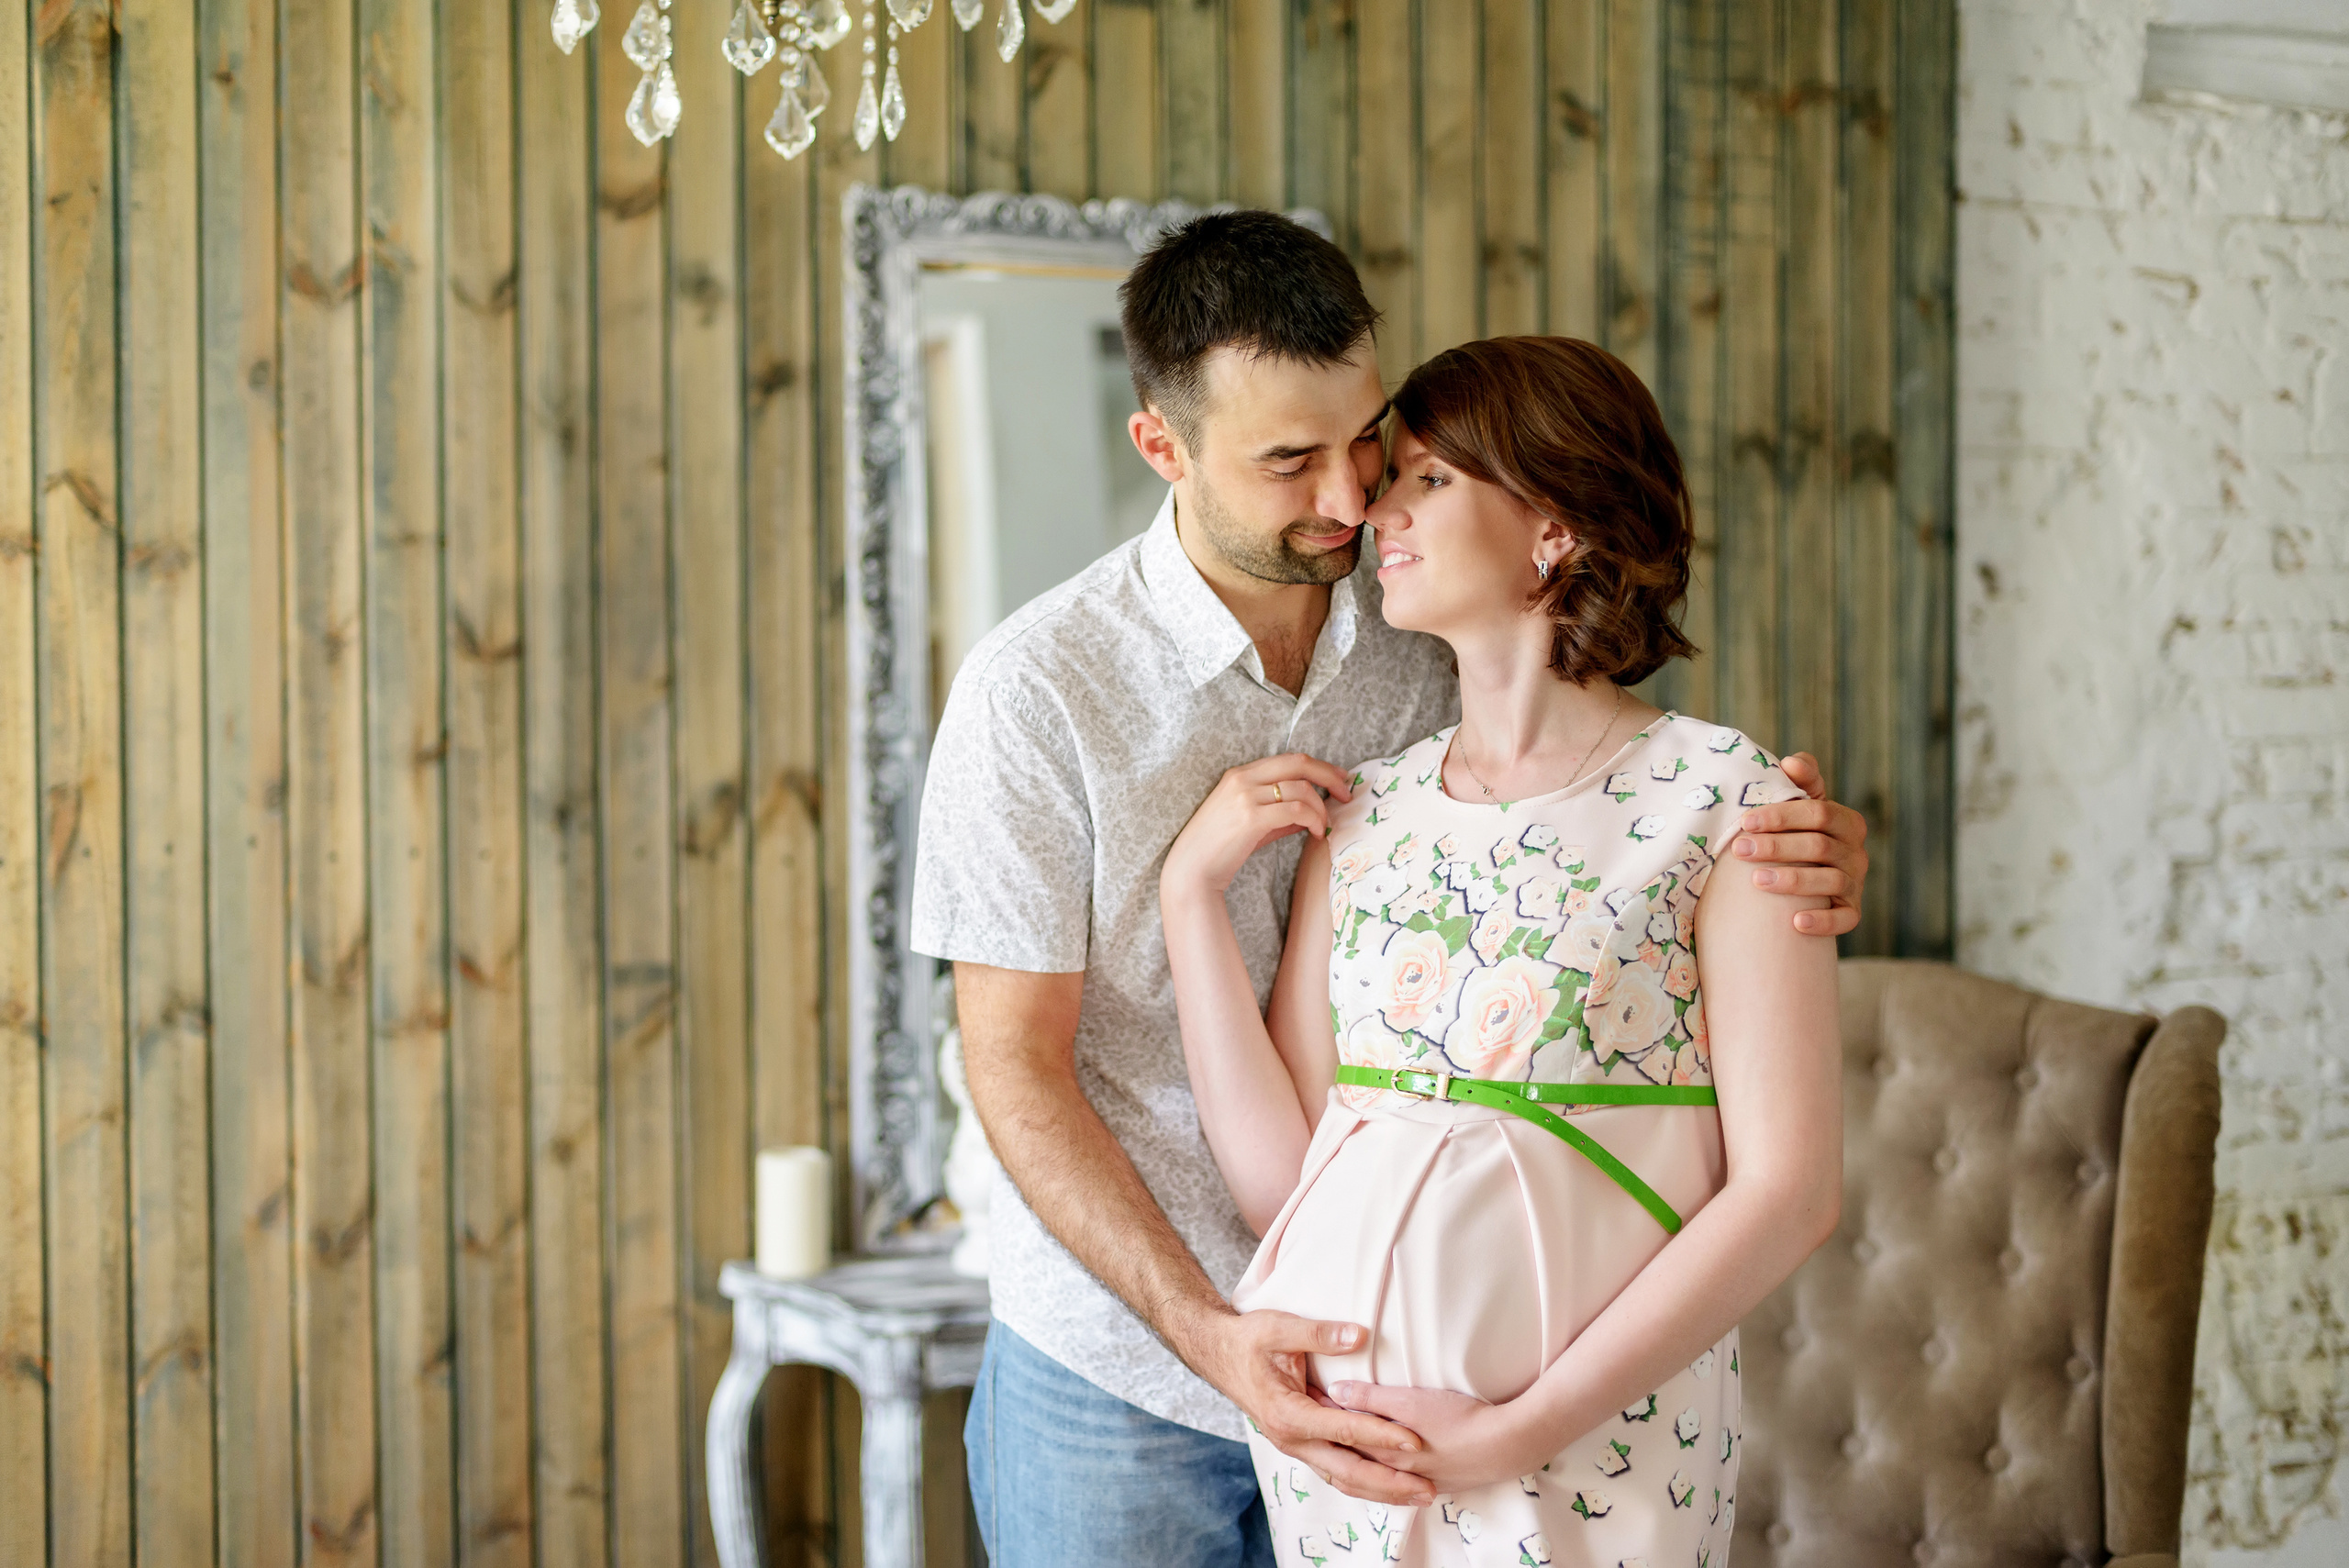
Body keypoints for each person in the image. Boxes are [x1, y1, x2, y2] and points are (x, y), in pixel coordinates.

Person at [909, 212, 1868, 1568]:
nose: (1355, 503)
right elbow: (1015, 1065)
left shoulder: (1431, 646)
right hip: (1127, 1363)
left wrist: (1801, 847)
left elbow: (1624, 818)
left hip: (1462, 1417)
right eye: (1289, 462)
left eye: (1369, 445)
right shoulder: (1037, 693)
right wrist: (1212, 1332)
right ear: (1162, 447)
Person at [1160, 334, 1842, 1566]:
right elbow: (1289, 1182)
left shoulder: (1721, 802)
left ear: (1555, 527)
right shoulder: (1367, 811)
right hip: (1343, 1473)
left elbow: (1789, 1191)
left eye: (1428, 479)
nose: (1377, 512)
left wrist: (1512, 1433)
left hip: (1586, 1459)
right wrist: (1188, 898)